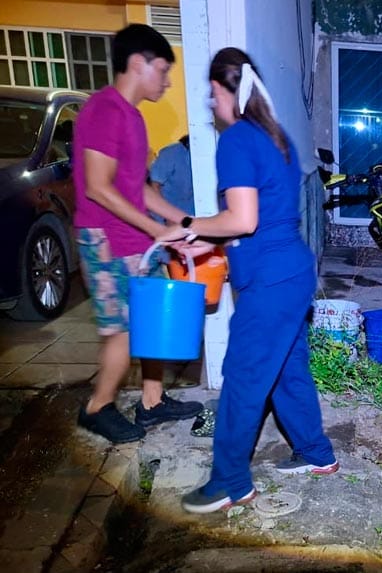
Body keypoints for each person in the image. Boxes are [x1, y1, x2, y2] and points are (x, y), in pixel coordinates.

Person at [157, 48, 338, 514]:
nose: (211, 103)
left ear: (228, 91)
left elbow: (243, 219)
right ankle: (316, 452)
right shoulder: (275, 137)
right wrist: (206, 241)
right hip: (293, 272)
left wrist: (189, 225)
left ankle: (230, 482)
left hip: (270, 283)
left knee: (243, 377)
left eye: (213, 94)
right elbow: (263, 218)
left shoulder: (237, 139)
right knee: (287, 369)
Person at [73, 24, 203, 444]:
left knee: (152, 319)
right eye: (163, 70)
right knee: (122, 330)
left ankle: (152, 400)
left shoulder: (132, 116)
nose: (167, 81)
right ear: (137, 63)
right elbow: (98, 187)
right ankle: (97, 407)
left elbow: (139, 189)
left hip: (134, 238)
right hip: (106, 239)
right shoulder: (104, 110)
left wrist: (184, 224)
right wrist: (158, 230)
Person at [150, 134, 194, 221]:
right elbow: (155, 185)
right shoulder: (171, 153)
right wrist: (167, 216)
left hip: (192, 218)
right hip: (164, 218)